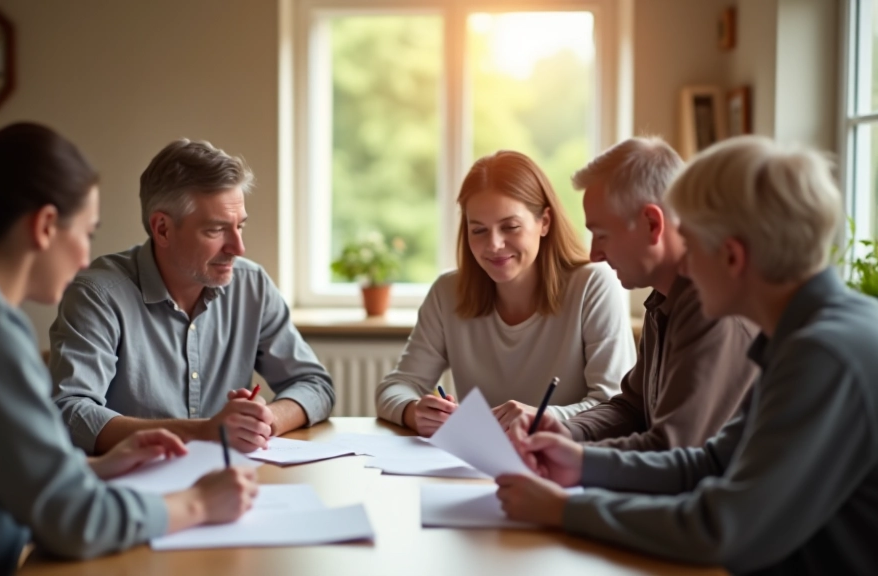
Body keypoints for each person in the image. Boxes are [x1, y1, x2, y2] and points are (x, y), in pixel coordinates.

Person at [0, 124, 258, 575]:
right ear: (45, 226)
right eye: (87, 232)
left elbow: (7, 477)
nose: (87, 259)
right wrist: (199, 503)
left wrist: (99, 467)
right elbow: (73, 523)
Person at [496, 136, 878, 575]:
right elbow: (712, 462)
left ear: (732, 256)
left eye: (692, 245)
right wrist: (580, 462)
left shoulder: (822, 356)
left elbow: (722, 529)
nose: (685, 266)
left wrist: (564, 512)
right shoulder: (804, 336)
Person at [50, 139, 334, 455]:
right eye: (216, 230)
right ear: (163, 229)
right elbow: (69, 412)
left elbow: (315, 384)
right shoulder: (98, 295)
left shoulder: (252, 285)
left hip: (228, 483)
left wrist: (266, 420)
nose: (238, 248)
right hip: (134, 486)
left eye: (240, 226)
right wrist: (204, 432)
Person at [507, 137, 757, 450]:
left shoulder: (712, 307)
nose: (594, 254)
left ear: (652, 224)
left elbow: (671, 451)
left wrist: (570, 457)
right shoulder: (663, 302)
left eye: (602, 235)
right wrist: (564, 432)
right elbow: (632, 408)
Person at [375, 150, 636, 437]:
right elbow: (395, 386)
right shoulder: (447, 292)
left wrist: (542, 417)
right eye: (478, 230)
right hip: (474, 467)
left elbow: (613, 407)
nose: (494, 245)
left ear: (544, 222)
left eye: (510, 227)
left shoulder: (593, 285)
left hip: (565, 465)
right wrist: (414, 412)